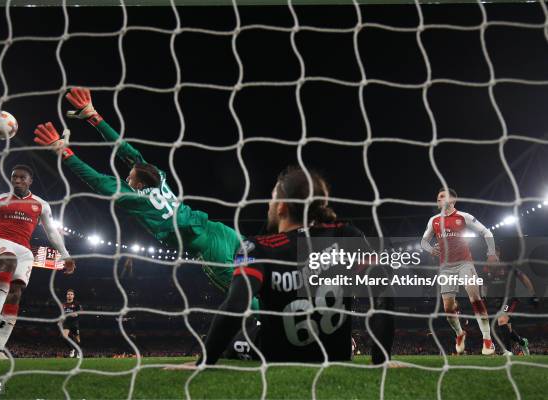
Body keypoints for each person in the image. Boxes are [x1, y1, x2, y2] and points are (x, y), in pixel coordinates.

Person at [33, 87, 255, 307]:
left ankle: (271, 328)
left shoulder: (138, 199)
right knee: (256, 269)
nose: (126, 179)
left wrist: (66, 153)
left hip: (208, 249)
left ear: (138, 184)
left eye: (129, 178)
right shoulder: (159, 176)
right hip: (221, 231)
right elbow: (127, 151)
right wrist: (94, 117)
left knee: (244, 297)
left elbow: (97, 179)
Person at [173, 166, 394, 366]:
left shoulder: (255, 247)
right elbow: (383, 289)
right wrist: (381, 361)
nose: (269, 205)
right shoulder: (347, 234)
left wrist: (203, 363)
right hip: (337, 354)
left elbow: (236, 305)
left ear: (282, 207)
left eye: (271, 199)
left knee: (241, 331)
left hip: (273, 355)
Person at [0, 164, 75, 359]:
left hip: (25, 251)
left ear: (30, 181)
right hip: (1, 241)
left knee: (16, 293)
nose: (17, 180)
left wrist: (65, 255)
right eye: (14, 177)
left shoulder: (41, 204)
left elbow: (51, 232)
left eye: (22, 178)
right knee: (9, 262)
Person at [421, 188, 497, 355]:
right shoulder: (433, 220)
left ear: (452, 200)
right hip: (445, 268)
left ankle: (487, 341)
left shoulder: (464, 217)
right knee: (448, 308)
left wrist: (491, 253)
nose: (438, 200)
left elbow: (487, 232)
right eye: (437, 197)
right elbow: (423, 241)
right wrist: (429, 250)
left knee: (475, 298)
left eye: (442, 196)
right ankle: (460, 333)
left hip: (465, 264)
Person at [62, 289, 82, 358]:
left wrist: (76, 313)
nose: (69, 295)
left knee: (78, 340)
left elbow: (80, 312)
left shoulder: (77, 304)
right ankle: (71, 350)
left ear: (73, 296)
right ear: (66, 295)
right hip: (66, 323)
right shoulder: (63, 304)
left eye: (71, 294)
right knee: (64, 336)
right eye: (68, 294)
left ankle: (79, 352)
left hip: (74, 323)